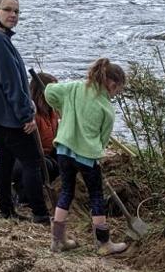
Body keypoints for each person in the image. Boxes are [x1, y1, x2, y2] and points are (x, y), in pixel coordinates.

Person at [0, 0, 50, 224]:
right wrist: (26, 115)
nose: (13, 15)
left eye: (17, 11)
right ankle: (40, 213)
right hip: (7, 116)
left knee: (5, 161)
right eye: (8, 10)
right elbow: (11, 83)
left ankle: (6, 210)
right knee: (31, 162)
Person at [44, 59, 129, 257]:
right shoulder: (106, 109)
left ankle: (57, 241)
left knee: (66, 192)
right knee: (96, 197)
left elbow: (49, 91)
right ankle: (103, 243)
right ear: (112, 85)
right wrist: (96, 155)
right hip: (87, 156)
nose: (115, 95)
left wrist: (62, 108)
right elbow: (102, 140)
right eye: (117, 91)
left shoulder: (74, 88)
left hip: (64, 150)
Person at [0, 69, 61, 208]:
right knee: (43, 166)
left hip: (41, 154)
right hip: (15, 159)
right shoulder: (29, 115)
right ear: (42, 93)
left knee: (62, 162)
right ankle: (19, 192)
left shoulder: (53, 113)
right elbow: (23, 148)